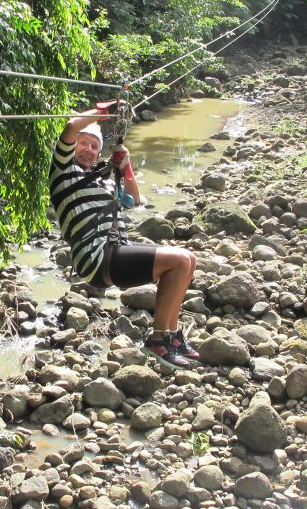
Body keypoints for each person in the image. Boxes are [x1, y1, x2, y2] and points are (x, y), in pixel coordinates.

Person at [49, 102, 199, 369]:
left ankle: (172, 337)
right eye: (83, 144)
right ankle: (158, 338)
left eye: (95, 147)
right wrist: (106, 111)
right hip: (97, 258)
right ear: (72, 148)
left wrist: (125, 166)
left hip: (115, 250)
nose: (89, 150)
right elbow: (72, 126)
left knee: (188, 259)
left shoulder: (102, 179)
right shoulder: (64, 173)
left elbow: (134, 200)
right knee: (178, 261)